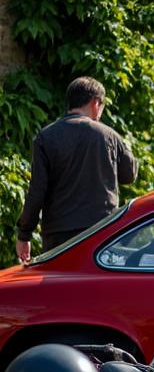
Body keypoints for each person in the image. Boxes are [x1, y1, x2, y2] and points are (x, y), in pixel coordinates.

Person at [16, 77, 137, 263]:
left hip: (58, 236)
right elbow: (129, 175)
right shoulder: (110, 136)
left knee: (60, 289)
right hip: (102, 231)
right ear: (96, 103)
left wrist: (24, 234)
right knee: (96, 290)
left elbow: (36, 191)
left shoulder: (46, 137)